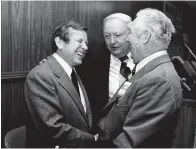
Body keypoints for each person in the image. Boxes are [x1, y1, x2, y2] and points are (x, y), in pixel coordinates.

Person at [97, 8, 183, 148]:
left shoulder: (158, 80)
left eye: (130, 33)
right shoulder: (151, 69)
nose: (127, 40)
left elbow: (129, 142)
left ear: (145, 36)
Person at [24, 21, 97, 148]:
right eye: (79, 41)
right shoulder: (40, 75)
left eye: (86, 43)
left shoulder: (73, 72)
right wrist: (94, 140)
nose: (85, 47)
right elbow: (52, 127)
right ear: (59, 43)